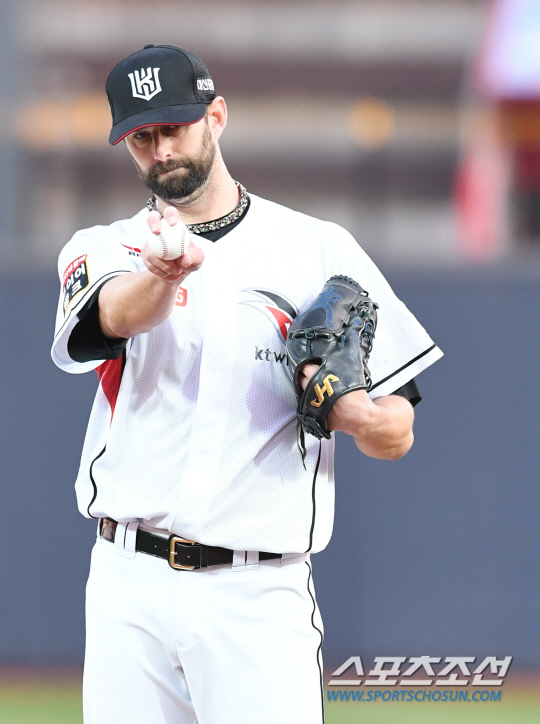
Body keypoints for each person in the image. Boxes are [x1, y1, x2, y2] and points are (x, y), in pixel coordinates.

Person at [51, 44, 443, 724]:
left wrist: (354, 415)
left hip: (256, 594)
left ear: (217, 116)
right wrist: (162, 275)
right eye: (141, 137)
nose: (160, 149)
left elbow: (398, 432)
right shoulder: (107, 246)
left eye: (174, 127)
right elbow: (112, 314)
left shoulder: (317, 248)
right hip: (127, 582)